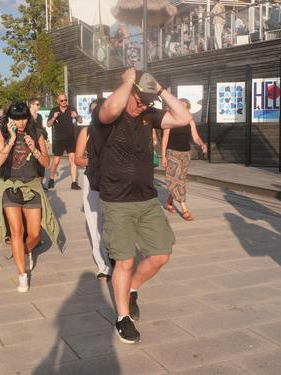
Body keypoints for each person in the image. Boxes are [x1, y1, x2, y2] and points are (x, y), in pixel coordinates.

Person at [93, 68, 191, 344]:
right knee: (123, 261)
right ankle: (123, 317)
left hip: (147, 199)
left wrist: (158, 90)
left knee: (161, 254)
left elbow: (183, 117)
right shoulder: (106, 117)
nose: (144, 104)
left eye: (149, 101)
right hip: (117, 201)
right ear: (129, 91)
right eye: (140, 98)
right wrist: (128, 81)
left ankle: (133, 288)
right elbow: (112, 107)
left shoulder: (149, 115)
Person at [0, 102, 61, 293]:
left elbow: (45, 161)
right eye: (16, 118)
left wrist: (35, 150)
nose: (20, 123)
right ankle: (22, 274)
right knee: (16, 232)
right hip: (10, 187)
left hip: (32, 187)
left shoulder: (37, 134)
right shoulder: (2, 134)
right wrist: (11, 140)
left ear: (28, 117)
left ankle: (25, 250)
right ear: (10, 119)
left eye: (23, 118)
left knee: (35, 234)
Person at [74, 98, 111, 280]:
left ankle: (116, 258)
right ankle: (103, 265)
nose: (96, 114)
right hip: (93, 178)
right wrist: (96, 163)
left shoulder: (115, 130)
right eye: (93, 111)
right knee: (95, 222)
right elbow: (78, 158)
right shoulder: (86, 131)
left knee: (114, 221)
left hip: (114, 180)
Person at [160, 98, 208, 220]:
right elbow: (165, 139)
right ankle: (184, 209)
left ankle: (168, 203)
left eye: (185, 107)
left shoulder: (189, 120)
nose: (182, 109)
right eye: (180, 107)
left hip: (186, 154)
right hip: (172, 153)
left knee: (180, 180)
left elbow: (196, 137)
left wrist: (201, 144)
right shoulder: (170, 120)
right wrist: (163, 156)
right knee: (172, 180)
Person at [47, 94, 83, 190]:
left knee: (72, 159)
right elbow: (48, 124)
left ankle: (74, 182)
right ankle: (51, 179)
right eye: (62, 100)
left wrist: (77, 116)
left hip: (70, 138)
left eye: (65, 100)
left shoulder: (71, 109)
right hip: (58, 139)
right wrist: (54, 117)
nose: (64, 102)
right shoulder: (54, 110)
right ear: (58, 101)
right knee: (56, 161)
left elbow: (80, 121)